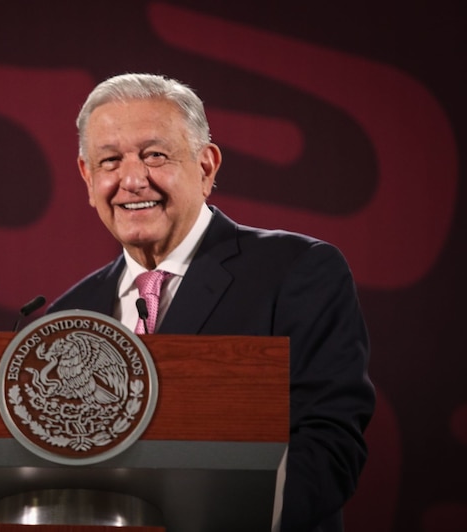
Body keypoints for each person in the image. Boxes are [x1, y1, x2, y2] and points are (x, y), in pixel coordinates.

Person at [47, 73, 375, 532]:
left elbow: (328, 446)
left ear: (206, 167)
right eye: (110, 160)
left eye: (154, 155)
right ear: (87, 176)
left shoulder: (298, 271)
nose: (132, 179)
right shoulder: (62, 320)